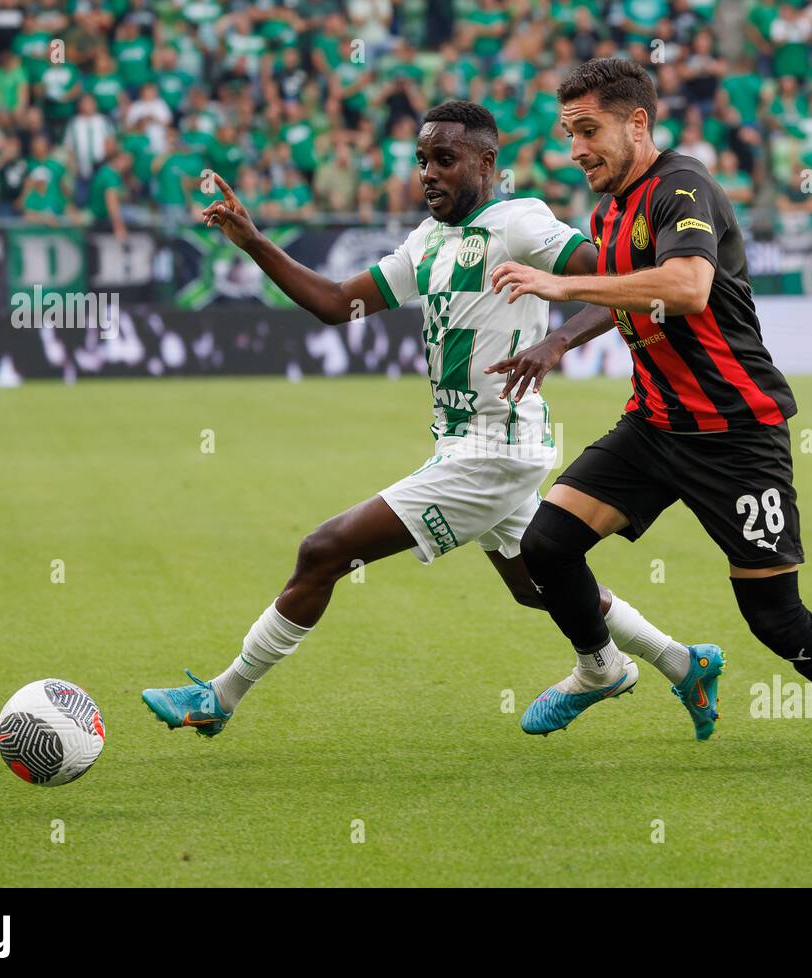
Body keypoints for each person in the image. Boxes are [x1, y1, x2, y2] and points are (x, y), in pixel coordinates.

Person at [142, 101, 721, 740]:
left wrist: (556, 342)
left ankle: (219, 699)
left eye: (444, 160)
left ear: (486, 162)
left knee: (323, 550)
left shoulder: (519, 223)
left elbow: (623, 283)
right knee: (538, 587)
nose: (429, 174)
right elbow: (339, 304)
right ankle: (680, 662)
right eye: (422, 161)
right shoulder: (428, 241)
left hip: (492, 450)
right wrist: (253, 241)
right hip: (469, 445)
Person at [488, 59, 812, 767]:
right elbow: (622, 290)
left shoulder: (684, 187)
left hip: (735, 435)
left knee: (774, 617)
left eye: (588, 130)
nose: (575, 150)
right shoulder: (610, 207)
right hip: (653, 427)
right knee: (546, 546)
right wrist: (562, 336)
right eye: (568, 134)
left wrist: (560, 286)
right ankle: (602, 667)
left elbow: (685, 286)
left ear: (638, 123)